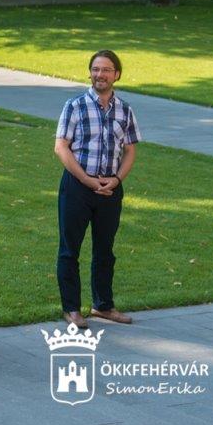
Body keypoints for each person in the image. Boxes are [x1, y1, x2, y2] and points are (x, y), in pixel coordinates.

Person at [54, 49, 141, 329]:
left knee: (105, 250)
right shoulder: (74, 106)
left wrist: (115, 180)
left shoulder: (124, 110)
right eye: (95, 69)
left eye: (105, 70)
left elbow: (130, 150)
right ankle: (72, 309)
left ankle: (103, 305)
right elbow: (61, 148)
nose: (99, 74)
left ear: (116, 74)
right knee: (70, 250)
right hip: (77, 187)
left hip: (110, 189)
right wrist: (88, 180)